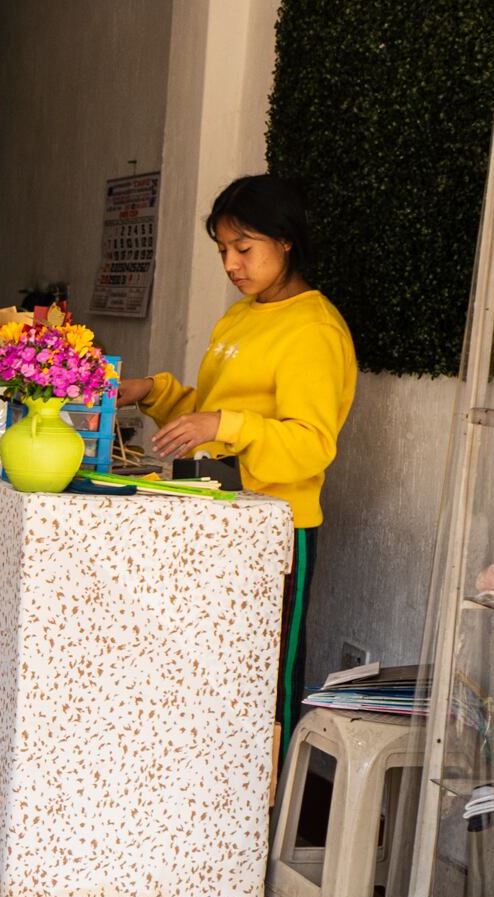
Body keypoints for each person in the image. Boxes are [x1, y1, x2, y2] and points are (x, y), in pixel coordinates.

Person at [112, 174, 356, 740]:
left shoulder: (313, 329)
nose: (231, 264)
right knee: (217, 678)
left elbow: (311, 443)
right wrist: (155, 391)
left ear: (286, 240)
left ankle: (265, 819)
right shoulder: (243, 315)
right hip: (220, 520)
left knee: (267, 682)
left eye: (243, 248)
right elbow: (217, 412)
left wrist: (222, 423)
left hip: (277, 529)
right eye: (224, 249)